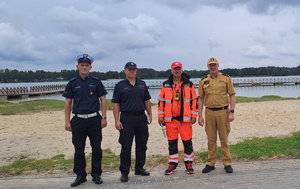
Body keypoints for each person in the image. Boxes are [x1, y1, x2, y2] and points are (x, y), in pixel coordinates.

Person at [63, 54, 108, 187]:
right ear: (77, 67)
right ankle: (80, 175)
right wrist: (67, 121)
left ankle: (96, 174)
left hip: (94, 119)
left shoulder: (96, 82)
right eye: (82, 65)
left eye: (86, 65)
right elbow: (68, 102)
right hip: (78, 120)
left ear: (90, 67)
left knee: (97, 149)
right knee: (78, 150)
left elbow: (103, 99)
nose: (84, 67)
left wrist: (104, 117)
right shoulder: (72, 83)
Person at [112, 62, 152, 182]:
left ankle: (139, 168)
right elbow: (116, 104)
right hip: (126, 119)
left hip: (141, 118)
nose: (132, 71)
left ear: (136, 71)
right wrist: (117, 120)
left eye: (134, 69)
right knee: (126, 147)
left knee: (141, 145)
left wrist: (150, 114)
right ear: (125, 71)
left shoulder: (142, 84)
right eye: (129, 69)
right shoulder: (120, 86)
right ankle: (124, 172)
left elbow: (147, 101)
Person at [158, 61, 198, 175]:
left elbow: (194, 101)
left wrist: (194, 115)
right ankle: (173, 164)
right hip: (170, 120)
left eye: (179, 68)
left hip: (185, 120)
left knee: (187, 142)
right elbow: (161, 102)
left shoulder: (189, 84)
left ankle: (188, 163)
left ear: (181, 70)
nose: (177, 70)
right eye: (175, 69)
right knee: (172, 143)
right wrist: (160, 116)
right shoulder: (165, 84)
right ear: (171, 70)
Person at [198, 57, 236, 174]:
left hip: (223, 112)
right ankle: (211, 163)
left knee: (224, 139)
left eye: (214, 65)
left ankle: (227, 163)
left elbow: (232, 95)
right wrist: (200, 115)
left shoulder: (225, 78)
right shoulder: (204, 80)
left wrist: (232, 112)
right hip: (209, 112)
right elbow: (200, 98)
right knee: (211, 139)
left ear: (218, 66)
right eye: (210, 65)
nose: (213, 67)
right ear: (208, 67)